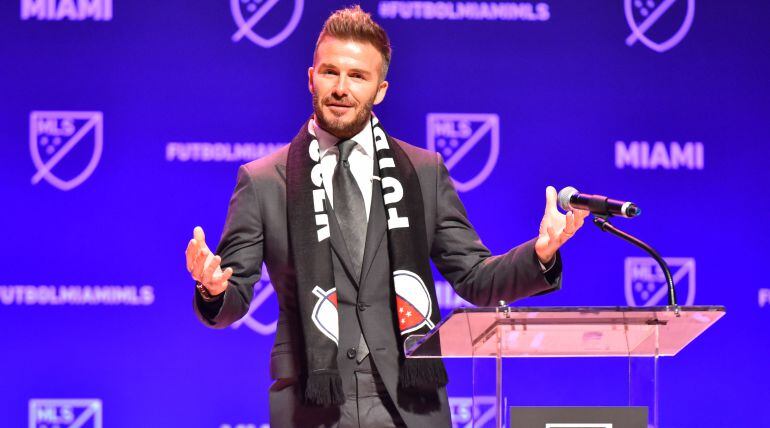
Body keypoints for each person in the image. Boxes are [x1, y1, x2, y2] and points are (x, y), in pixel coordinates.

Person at [185, 5, 589, 427]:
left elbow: (474, 277)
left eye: (358, 76)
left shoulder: (423, 171)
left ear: (380, 89)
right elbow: (234, 299)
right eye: (330, 72)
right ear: (311, 78)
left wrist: (540, 254)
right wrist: (213, 290)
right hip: (312, 407)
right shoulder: (265, 181)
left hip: (411, 405)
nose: (341, 87)